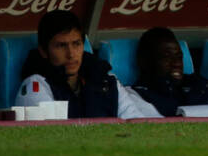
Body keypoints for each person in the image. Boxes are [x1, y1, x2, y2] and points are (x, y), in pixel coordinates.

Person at [16, 10, 159, 119]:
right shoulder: (35, 85)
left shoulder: (105, 79)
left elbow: (134, 122)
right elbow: (49, 137)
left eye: (76, 44)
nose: (71, 54)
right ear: (43, 51)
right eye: (61, 46)